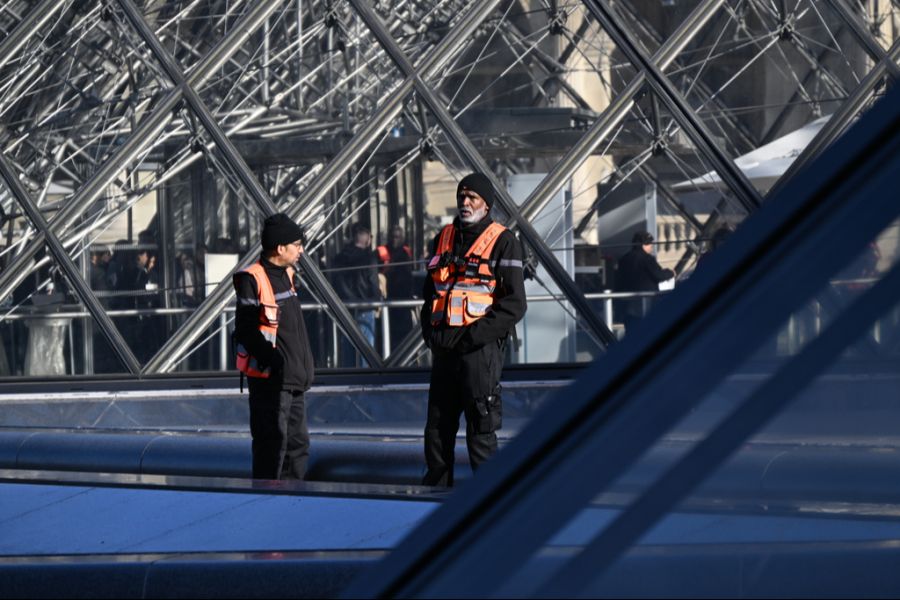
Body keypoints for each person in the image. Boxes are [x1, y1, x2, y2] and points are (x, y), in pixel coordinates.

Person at [420, 172, 527, 487]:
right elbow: (430, 293)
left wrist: (473, 337)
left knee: (481, 430)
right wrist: (431, 334)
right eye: (461, 196)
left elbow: (514, 304)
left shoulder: (504, 241)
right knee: (437, 429)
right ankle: (435, 498)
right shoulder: (443, 237)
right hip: (444, 349)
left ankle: (488, 499)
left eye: (472, 198)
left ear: (487, 204)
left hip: (479, 352)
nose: (464, 203)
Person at [232, 213, 315, 480]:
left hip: (293, 381)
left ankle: (294, 500)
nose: (301, 250)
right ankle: (269, 501)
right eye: (297, 244)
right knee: (272, 448)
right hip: (272, 383)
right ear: (280, 248)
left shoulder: (287, 275)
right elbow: (245, 330)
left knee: (297, 446)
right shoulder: (253, 278)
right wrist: (275, 361)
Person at [332, 222, 382, 367]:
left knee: (348, 352)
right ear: (367, 239)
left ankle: (349, 378)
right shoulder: (369, 259)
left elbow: (335, 284)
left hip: (345, 309)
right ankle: (365, 378)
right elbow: (373, 284)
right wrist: (377, 301)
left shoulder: (339, 258)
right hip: (365, 308)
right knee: (365, 354)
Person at [615, 231, 674, 334]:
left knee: (631, 332)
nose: (651, 247)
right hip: (646, 303)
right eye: (650, 243)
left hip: (628, 305)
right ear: (643, 244)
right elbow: (658, 275)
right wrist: (671, 273)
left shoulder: (624, 259)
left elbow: (618, 281)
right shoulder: (647, 259)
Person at [376, 225, 415, 352]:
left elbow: (409, 276)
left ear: (402, 238)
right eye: (392, 236)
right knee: (388, 335)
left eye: (397, 237)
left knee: (406, 337)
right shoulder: (381, 252)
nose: (394, 240)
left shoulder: (406, 252)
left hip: (404, 300)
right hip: (388, 299)